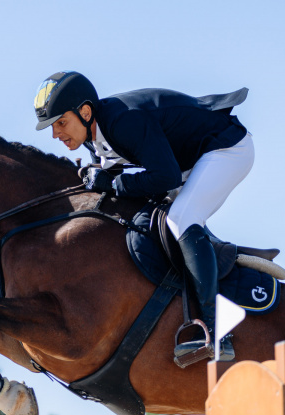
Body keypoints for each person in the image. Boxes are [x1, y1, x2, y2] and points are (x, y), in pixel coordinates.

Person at [34, 71, 253, 363]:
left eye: (61, 122)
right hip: (189, 160)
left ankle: (217, 331)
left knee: (181, 219)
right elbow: (110, 168)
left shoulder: (124, 122)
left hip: (226, 149)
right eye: (53, 126)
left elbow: (166, 176)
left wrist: (113, 183)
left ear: (85, 112)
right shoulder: (91, 134)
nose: (56, 134)